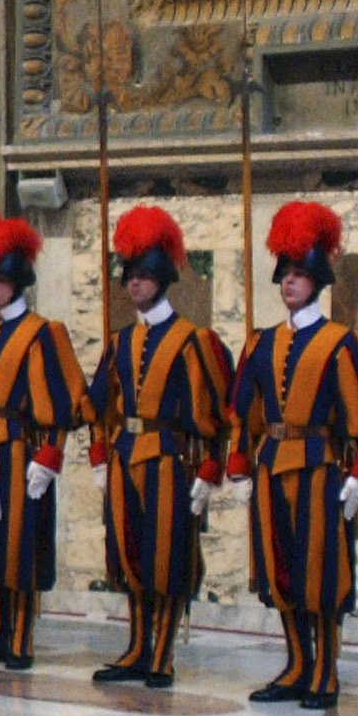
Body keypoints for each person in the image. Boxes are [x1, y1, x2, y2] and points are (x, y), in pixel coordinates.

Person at [225, 201, 358, 710]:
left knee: (323, 574)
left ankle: (325, 670)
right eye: (284, 273)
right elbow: (244, 413)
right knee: (279, 572)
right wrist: (240, 467)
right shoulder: (259, 343)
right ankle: (297, 663)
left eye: (299, 275)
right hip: (271, 467)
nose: (288, 283)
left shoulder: (344, 343)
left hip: (321, 470)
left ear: (318, 280)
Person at [88, 207, 232, 688]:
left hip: (170, 460)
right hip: (125, 455)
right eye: (128, 275)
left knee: (166, 558)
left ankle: (162, 654)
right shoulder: (119, 341)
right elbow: (100, 405)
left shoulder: (194, 341)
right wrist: (97, 454)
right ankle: (136, 646)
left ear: (163, 279)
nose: (133, 284)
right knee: (128, 556)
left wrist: (210, 470)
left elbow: (213, 413)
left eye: (143, 275)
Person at [0, 218, 87, 671]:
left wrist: (50, 455)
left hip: (21, 450)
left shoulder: (43, 332)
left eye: (0, 280)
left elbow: (64, 399)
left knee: (21, 544)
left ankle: (21, 635)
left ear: (18, 283)